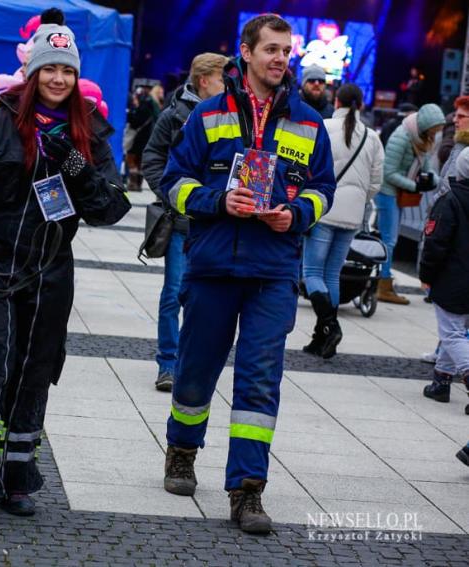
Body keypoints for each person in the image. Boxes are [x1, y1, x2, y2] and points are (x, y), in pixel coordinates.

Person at [0, 8, 130, 529]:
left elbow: (110, 207)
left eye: (67, 71)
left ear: (76, 76)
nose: (58, 79)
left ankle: (17, 474)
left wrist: (79, 174)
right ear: (33, 72)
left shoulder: (91, 131)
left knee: (34, 373)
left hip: (49, 273)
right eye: (49, 69)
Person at [160, 14, 335, 534]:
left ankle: (247, 491)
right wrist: (218, 202)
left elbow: (323, 188)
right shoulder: (209, 115)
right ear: (246, 52)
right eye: (272, 50)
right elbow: (173, 182)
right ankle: (182, 450)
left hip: (274, 272)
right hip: (214, 266)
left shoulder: (308, 121)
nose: (281, 58)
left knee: (260, 383)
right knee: (195, 374)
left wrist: (297, 212)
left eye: (287, 50)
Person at [141, 52, 227, 391]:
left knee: (206, 297)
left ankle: (195, 364)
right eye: (222, 79)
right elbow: (151, 158)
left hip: (216, 222)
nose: (228, 86)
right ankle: (168, 363)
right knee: (174, 293)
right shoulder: (173, 115)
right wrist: (170, 195)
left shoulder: (230, 116)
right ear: (204, 80)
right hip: (181, 222)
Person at [302, 84, 384, 359]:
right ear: (360, 104)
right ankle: (322, 337)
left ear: (336, 101)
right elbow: (375, 182)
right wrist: (359, 199)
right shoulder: (372, 137)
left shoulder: (323, 127)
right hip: (352, 215)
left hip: (324, 208)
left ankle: (329, 326)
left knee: (312, 272)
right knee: (331, 274)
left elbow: (309, 167)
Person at [376, 103, 445, 304]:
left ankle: (384, 281)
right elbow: (388, 173)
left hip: (399, 193)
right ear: (425, 126)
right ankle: (383, 284)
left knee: (391, 239)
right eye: (434, 130)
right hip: (387, 193)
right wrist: (414, 186)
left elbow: (424, 166)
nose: (435, 134)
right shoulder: (401, 138)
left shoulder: (421, 139)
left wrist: (430, 178)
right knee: (389, 240)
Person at [418, 147, 469, 405]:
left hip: (453, 279)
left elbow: (436, 243)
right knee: (457, 331)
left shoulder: (450, 201)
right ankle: (441, 381)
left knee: (451, 333)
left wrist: (426, 274)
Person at [125, 83, 164, 191]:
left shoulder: (146, 103)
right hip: (150, 136)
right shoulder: (158, 105)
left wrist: (130, 116)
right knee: (140, 160)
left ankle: (133, 184)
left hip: (139, 136)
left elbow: (137, 120)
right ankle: (138, 184)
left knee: (131, 158)